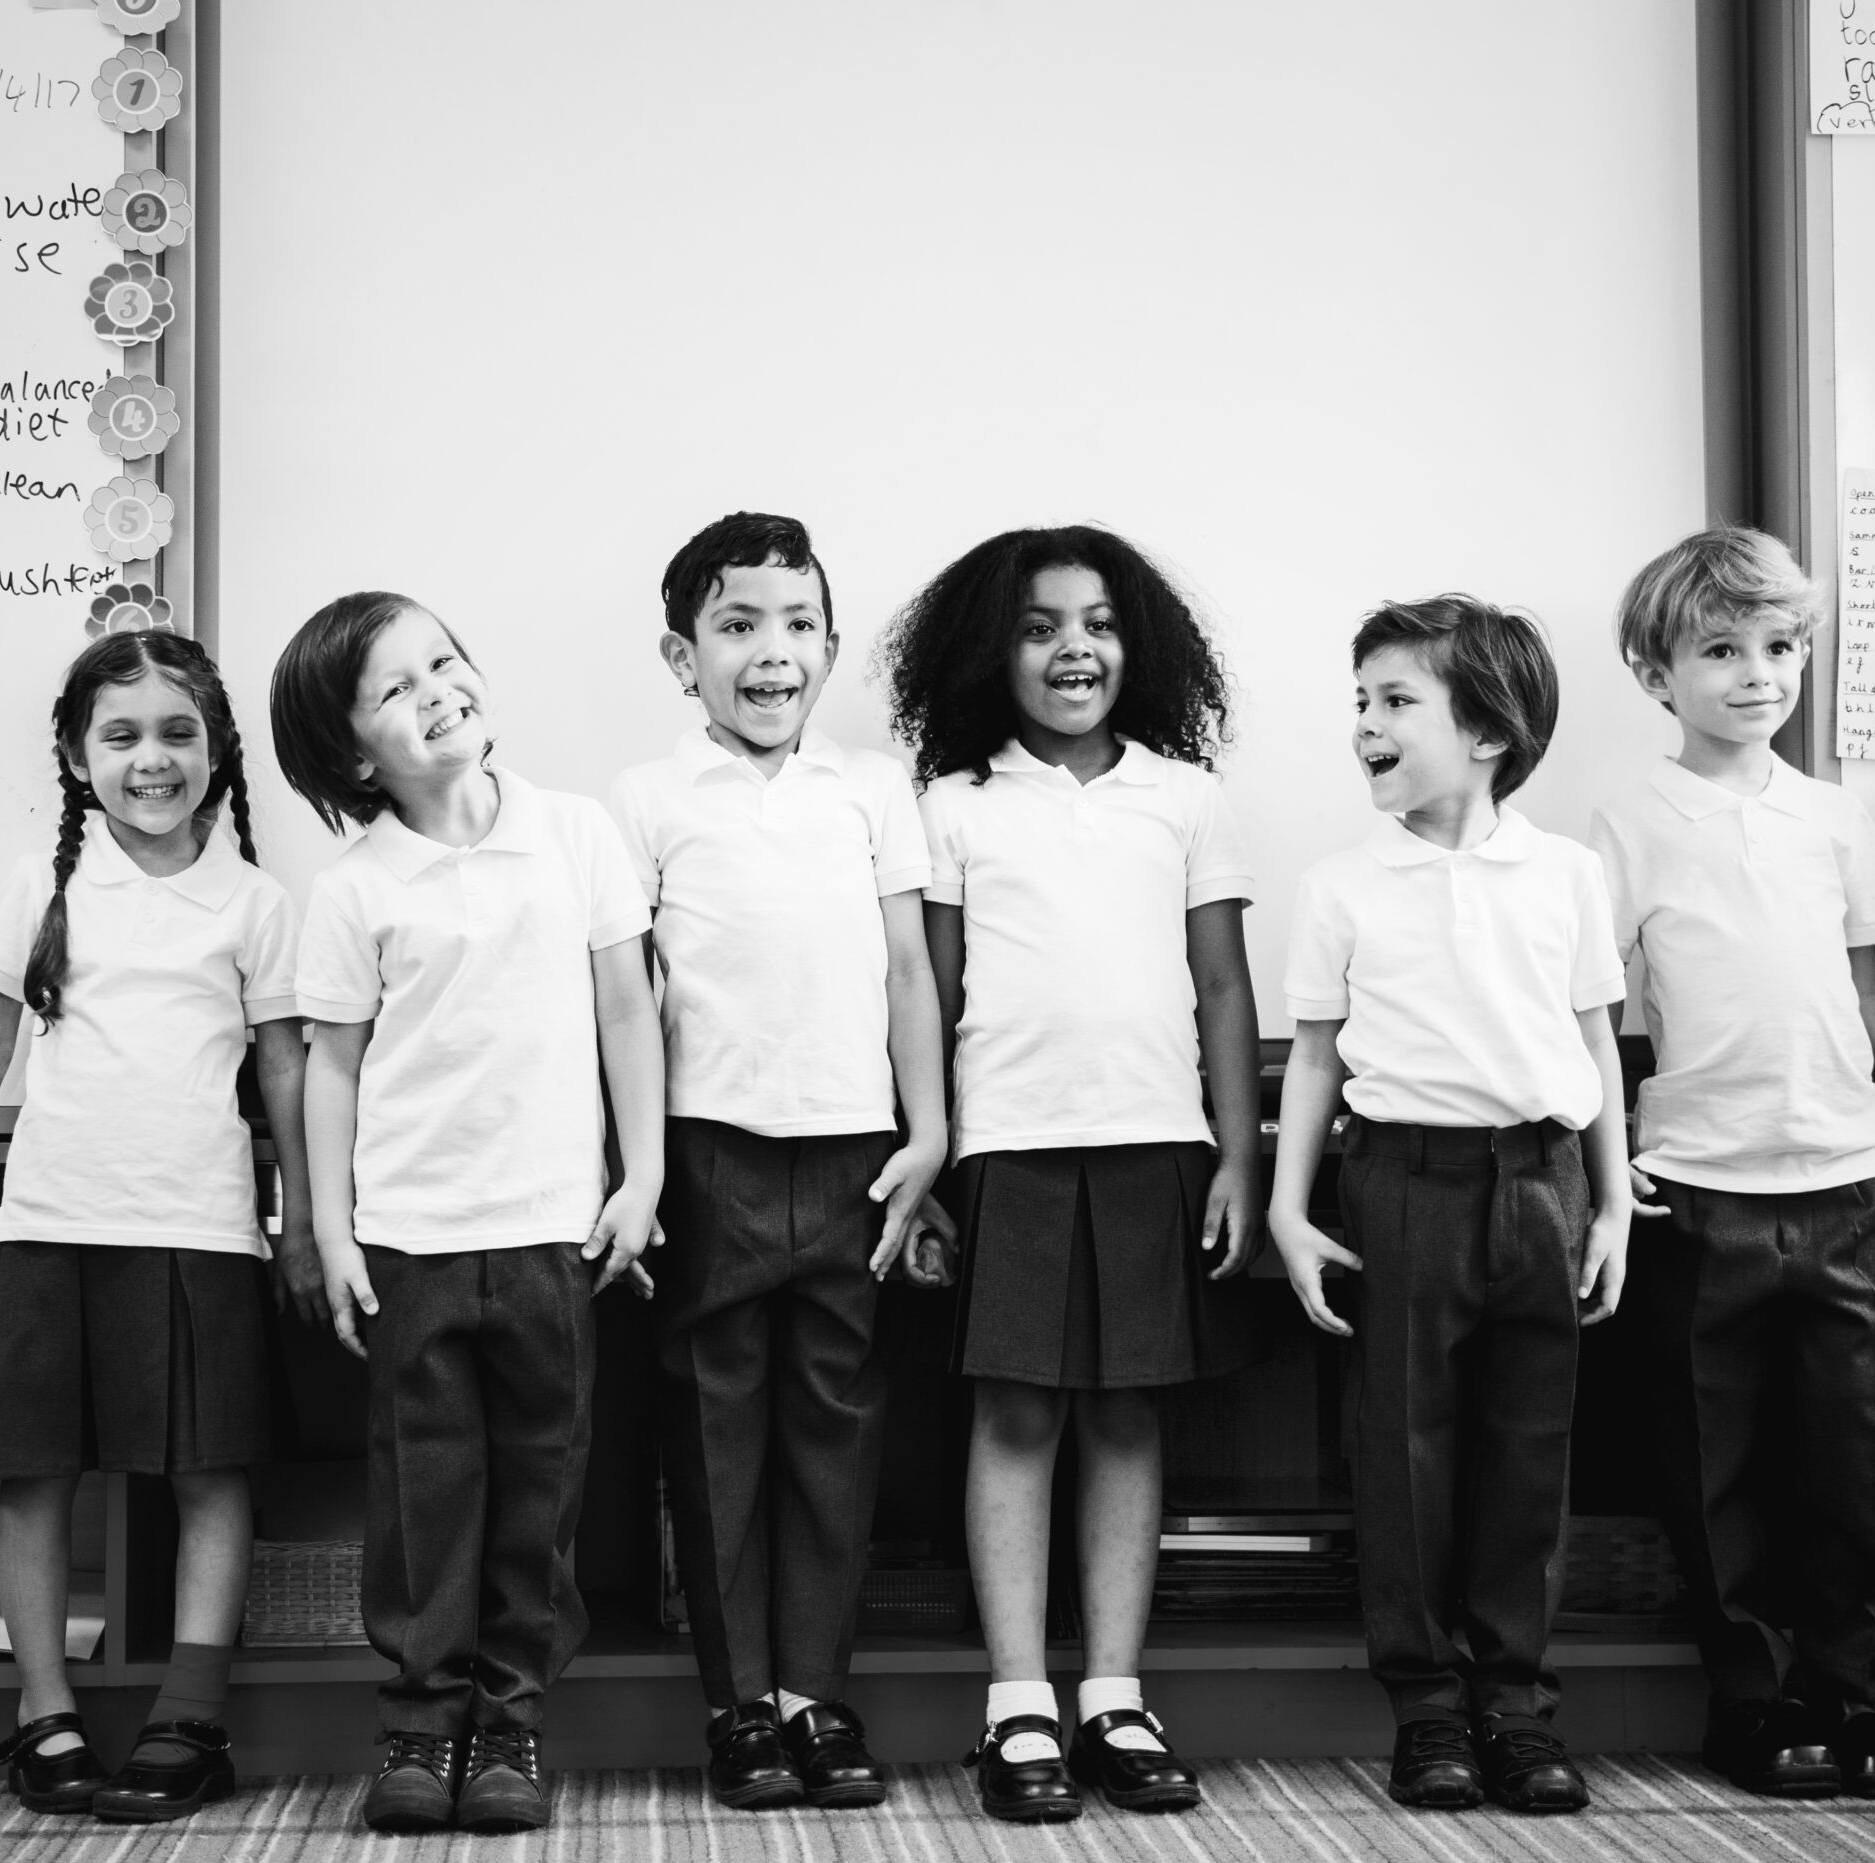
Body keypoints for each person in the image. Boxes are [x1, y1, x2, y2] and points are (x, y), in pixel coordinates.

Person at [0, 631, 312, 1824]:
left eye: (178, 733)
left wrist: (309, 1222)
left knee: (212, 1475)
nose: (152, 758)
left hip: (206, 1229)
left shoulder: (257, 903)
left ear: (217, 753)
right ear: (76, 755)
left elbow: (283, 1075)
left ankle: (190, 1719)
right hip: (54, 1224)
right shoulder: (45, 887)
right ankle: (44, 1713)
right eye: (120, 735)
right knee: (36, 1474)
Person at [876, 525, 1262, 1822]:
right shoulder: (953, 802)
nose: (1072, 647)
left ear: (1135, 642)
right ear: (995, 650)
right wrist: (921, 1150)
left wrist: (1238, 1159)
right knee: (1018, 1414)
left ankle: (1112, 1690)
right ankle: (1019, 1701)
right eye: (1039, 626)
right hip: (1007, 1148)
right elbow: (923, 990)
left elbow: (1222, 985)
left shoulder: (1183, 797)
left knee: (1129, 1413)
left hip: (1158, 1145)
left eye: (1095, 621)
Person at [271, 593, 664, 1834]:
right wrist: (328, 1229)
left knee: (542, 1483)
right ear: (349, 752)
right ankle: (418, 1725)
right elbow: (331, 1066)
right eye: (395, 689)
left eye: (443, 663)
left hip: (553, 1224)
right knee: (422, 1489)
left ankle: (511, 1727)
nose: (436, 692)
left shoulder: (574, 834)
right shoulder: (353, 888)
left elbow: (626, 1014)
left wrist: (641, 1177)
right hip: (409, 1238)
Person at [1589, 528, 1875, 1799]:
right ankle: (1752, 1702)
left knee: (1848, 1465)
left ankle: (1856, 1695)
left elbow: (1866, 988)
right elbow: (1593, 1005)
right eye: (1723, 650)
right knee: (1717, 1463)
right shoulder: (1626, 820)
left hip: (1847, 1179)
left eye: (1781, 647)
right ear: (1657, 671)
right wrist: (1610, 1145)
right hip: (1698, 1187)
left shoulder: (1831, 815)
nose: (1759, 675)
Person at [1267, 595, 1633, 1816]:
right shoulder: (1339, 885)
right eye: (1359, 703)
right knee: (1405, 1452)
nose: (1364, 725)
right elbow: (1315, 1054)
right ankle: (1427, 1710)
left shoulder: (1569, 875)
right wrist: (1287, 1206)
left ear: (1487, 730)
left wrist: (1615, 1204)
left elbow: (1596, 1039)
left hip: (1540, 1184)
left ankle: (1516, 1708)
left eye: (1393, 702)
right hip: (1400, 1185)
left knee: (1528, 1455)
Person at [608, 513, 947, 1810]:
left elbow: (909, 968)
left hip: (857, 1151)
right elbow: (629, 1000)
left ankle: (816, 1690)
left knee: (834, 1430)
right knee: (715, 1430)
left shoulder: (869, 787)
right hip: (711, 1153)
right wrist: (640, 1167)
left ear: (832, 643)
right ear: (681, 652)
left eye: (798, 624)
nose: (772, 652)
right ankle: (740, 1701)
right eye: (739, 625)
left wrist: (928, 1133)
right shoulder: (646, 799)